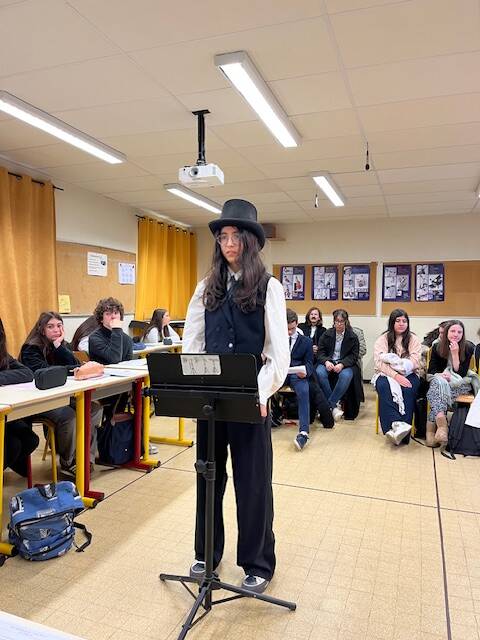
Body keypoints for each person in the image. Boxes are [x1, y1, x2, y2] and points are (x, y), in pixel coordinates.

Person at [182, 199, 289, 594]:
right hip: (211, 400)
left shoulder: (269, 287)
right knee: (208, 478)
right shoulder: (205, 287)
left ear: (250, 241)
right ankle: (206, 552)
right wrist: (194, 387)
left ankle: (257, 562)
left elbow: (278, 353)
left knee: (253, 482)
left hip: (250, 398)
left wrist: (260, 393)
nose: (228, 244)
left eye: (235, 237)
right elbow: (193, 344)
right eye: (223, 237)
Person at [20, 312, 102, 476]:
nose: (56, 330)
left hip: (60, 396)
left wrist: (59, 346)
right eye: (50, 326)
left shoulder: (60, 345)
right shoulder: (31, 348)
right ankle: (68, 462)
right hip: (38, 400)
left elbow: (76, 365)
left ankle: (86, 458)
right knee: (68, 416)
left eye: (59, 326)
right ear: (41, 329)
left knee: (94, 409)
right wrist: (73, 369)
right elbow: (46, 373)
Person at [372, 309, 421, 445]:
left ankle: (404, 433)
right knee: (384, 387)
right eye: (398, 321)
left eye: (404, 321)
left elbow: (415, 361)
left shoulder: (413, 339)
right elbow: (379, 362)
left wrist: (403, 370)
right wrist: (396, 376)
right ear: (392, 323)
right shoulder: (383, 338)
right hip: (385, 373)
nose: (401, 323)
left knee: (408, 389)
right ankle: (394, 426)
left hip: (409, 373)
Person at [0, 318, 39, 477]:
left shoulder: (2, 353)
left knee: (31, 439)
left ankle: (10, 463)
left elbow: (27, 373)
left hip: (4, 409)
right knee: (12, 445)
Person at [426, 320, 475, 446]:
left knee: (436, 392)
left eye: (459, 332)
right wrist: (441, 375)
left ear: (463, 334)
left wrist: (455, 354)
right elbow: (432, 370)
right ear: (447, 332)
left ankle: (434, 431)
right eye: (453, 331)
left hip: (461, 383)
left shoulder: (468, 347)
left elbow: (461, 373)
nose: (456, 334)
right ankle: (442, 427)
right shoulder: (437, 347)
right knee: (437, 384)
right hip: (441, 381)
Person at [316, 309, 360, 421]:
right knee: (319, 373)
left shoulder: (352, 336)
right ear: (334, 321)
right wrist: (326, 361)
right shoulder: (326, 334)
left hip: (345, 363)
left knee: (346, 376)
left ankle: (330, 404)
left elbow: (354, 356)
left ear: (346, 322)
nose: (339, 324)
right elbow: (320, 352)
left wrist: (342, 364)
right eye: (337, 321)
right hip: (329, 361)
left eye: (341, 321)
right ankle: (334, 407)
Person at [285, 308, 313, 451]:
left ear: (296, 323)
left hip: (297, 374)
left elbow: (309, 364)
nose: (289, 332)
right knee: (262, 387)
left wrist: (305, 372)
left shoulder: (306, 341)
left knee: (304, 391)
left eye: (292, 328)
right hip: (280, 373)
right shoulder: (277, 339)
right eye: (287, 329)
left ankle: (303, 432)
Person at [89, 297, 133, 364]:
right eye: (108, 314)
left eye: (116, 313)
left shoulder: (127, 339)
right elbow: (114, 359)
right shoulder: (95, 338)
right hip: (103, 370)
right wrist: (116, 329)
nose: (113, 317)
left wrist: (117, 330)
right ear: (101, 319)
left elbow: (128, 364)